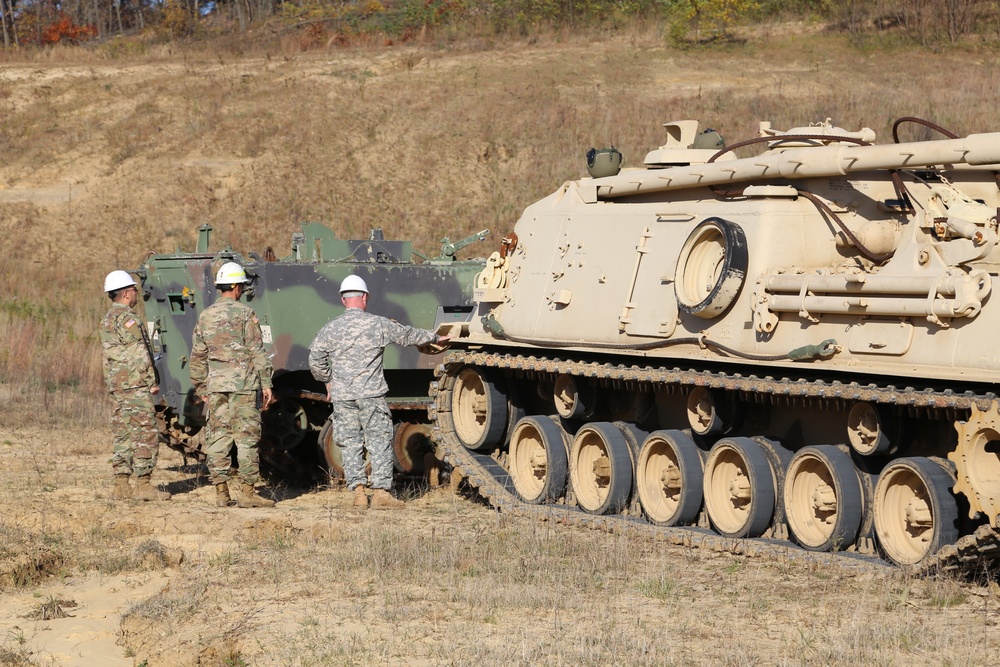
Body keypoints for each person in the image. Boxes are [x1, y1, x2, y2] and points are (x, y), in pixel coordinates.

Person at [308, 275, 449, 510]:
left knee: (351, 444)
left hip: (343, 397)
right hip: (371, 395)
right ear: (364, 297)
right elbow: (408, 335)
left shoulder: (330, 328)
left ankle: (359, 495)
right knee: (380, 441)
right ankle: (382, 494)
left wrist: (328, 381)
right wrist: (435, 337)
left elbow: (315, 359)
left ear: (343, 300)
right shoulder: (378, 324)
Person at [190, 261, 274, 508]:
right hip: (245, 386)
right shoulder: (245, 314)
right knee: (246, 438)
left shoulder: (205, 316)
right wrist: (266, 383)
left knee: (218, 438)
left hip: (216, 388)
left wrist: (200, 388)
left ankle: (221, 492)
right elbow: (257, 351)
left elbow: (197, 356)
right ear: (237, 287)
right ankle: (248, 494)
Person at [99, 270, 171, 502]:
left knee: (123, 433)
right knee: (146, 432)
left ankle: (121, 485)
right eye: (134, 290)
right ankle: (143, 485)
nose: (136, 294)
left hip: (117, 385)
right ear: (127, 293)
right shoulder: (129, 319)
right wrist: (151, 381)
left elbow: (108, 356)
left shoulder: (106, 319)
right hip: (134, 383)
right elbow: (139, 352)